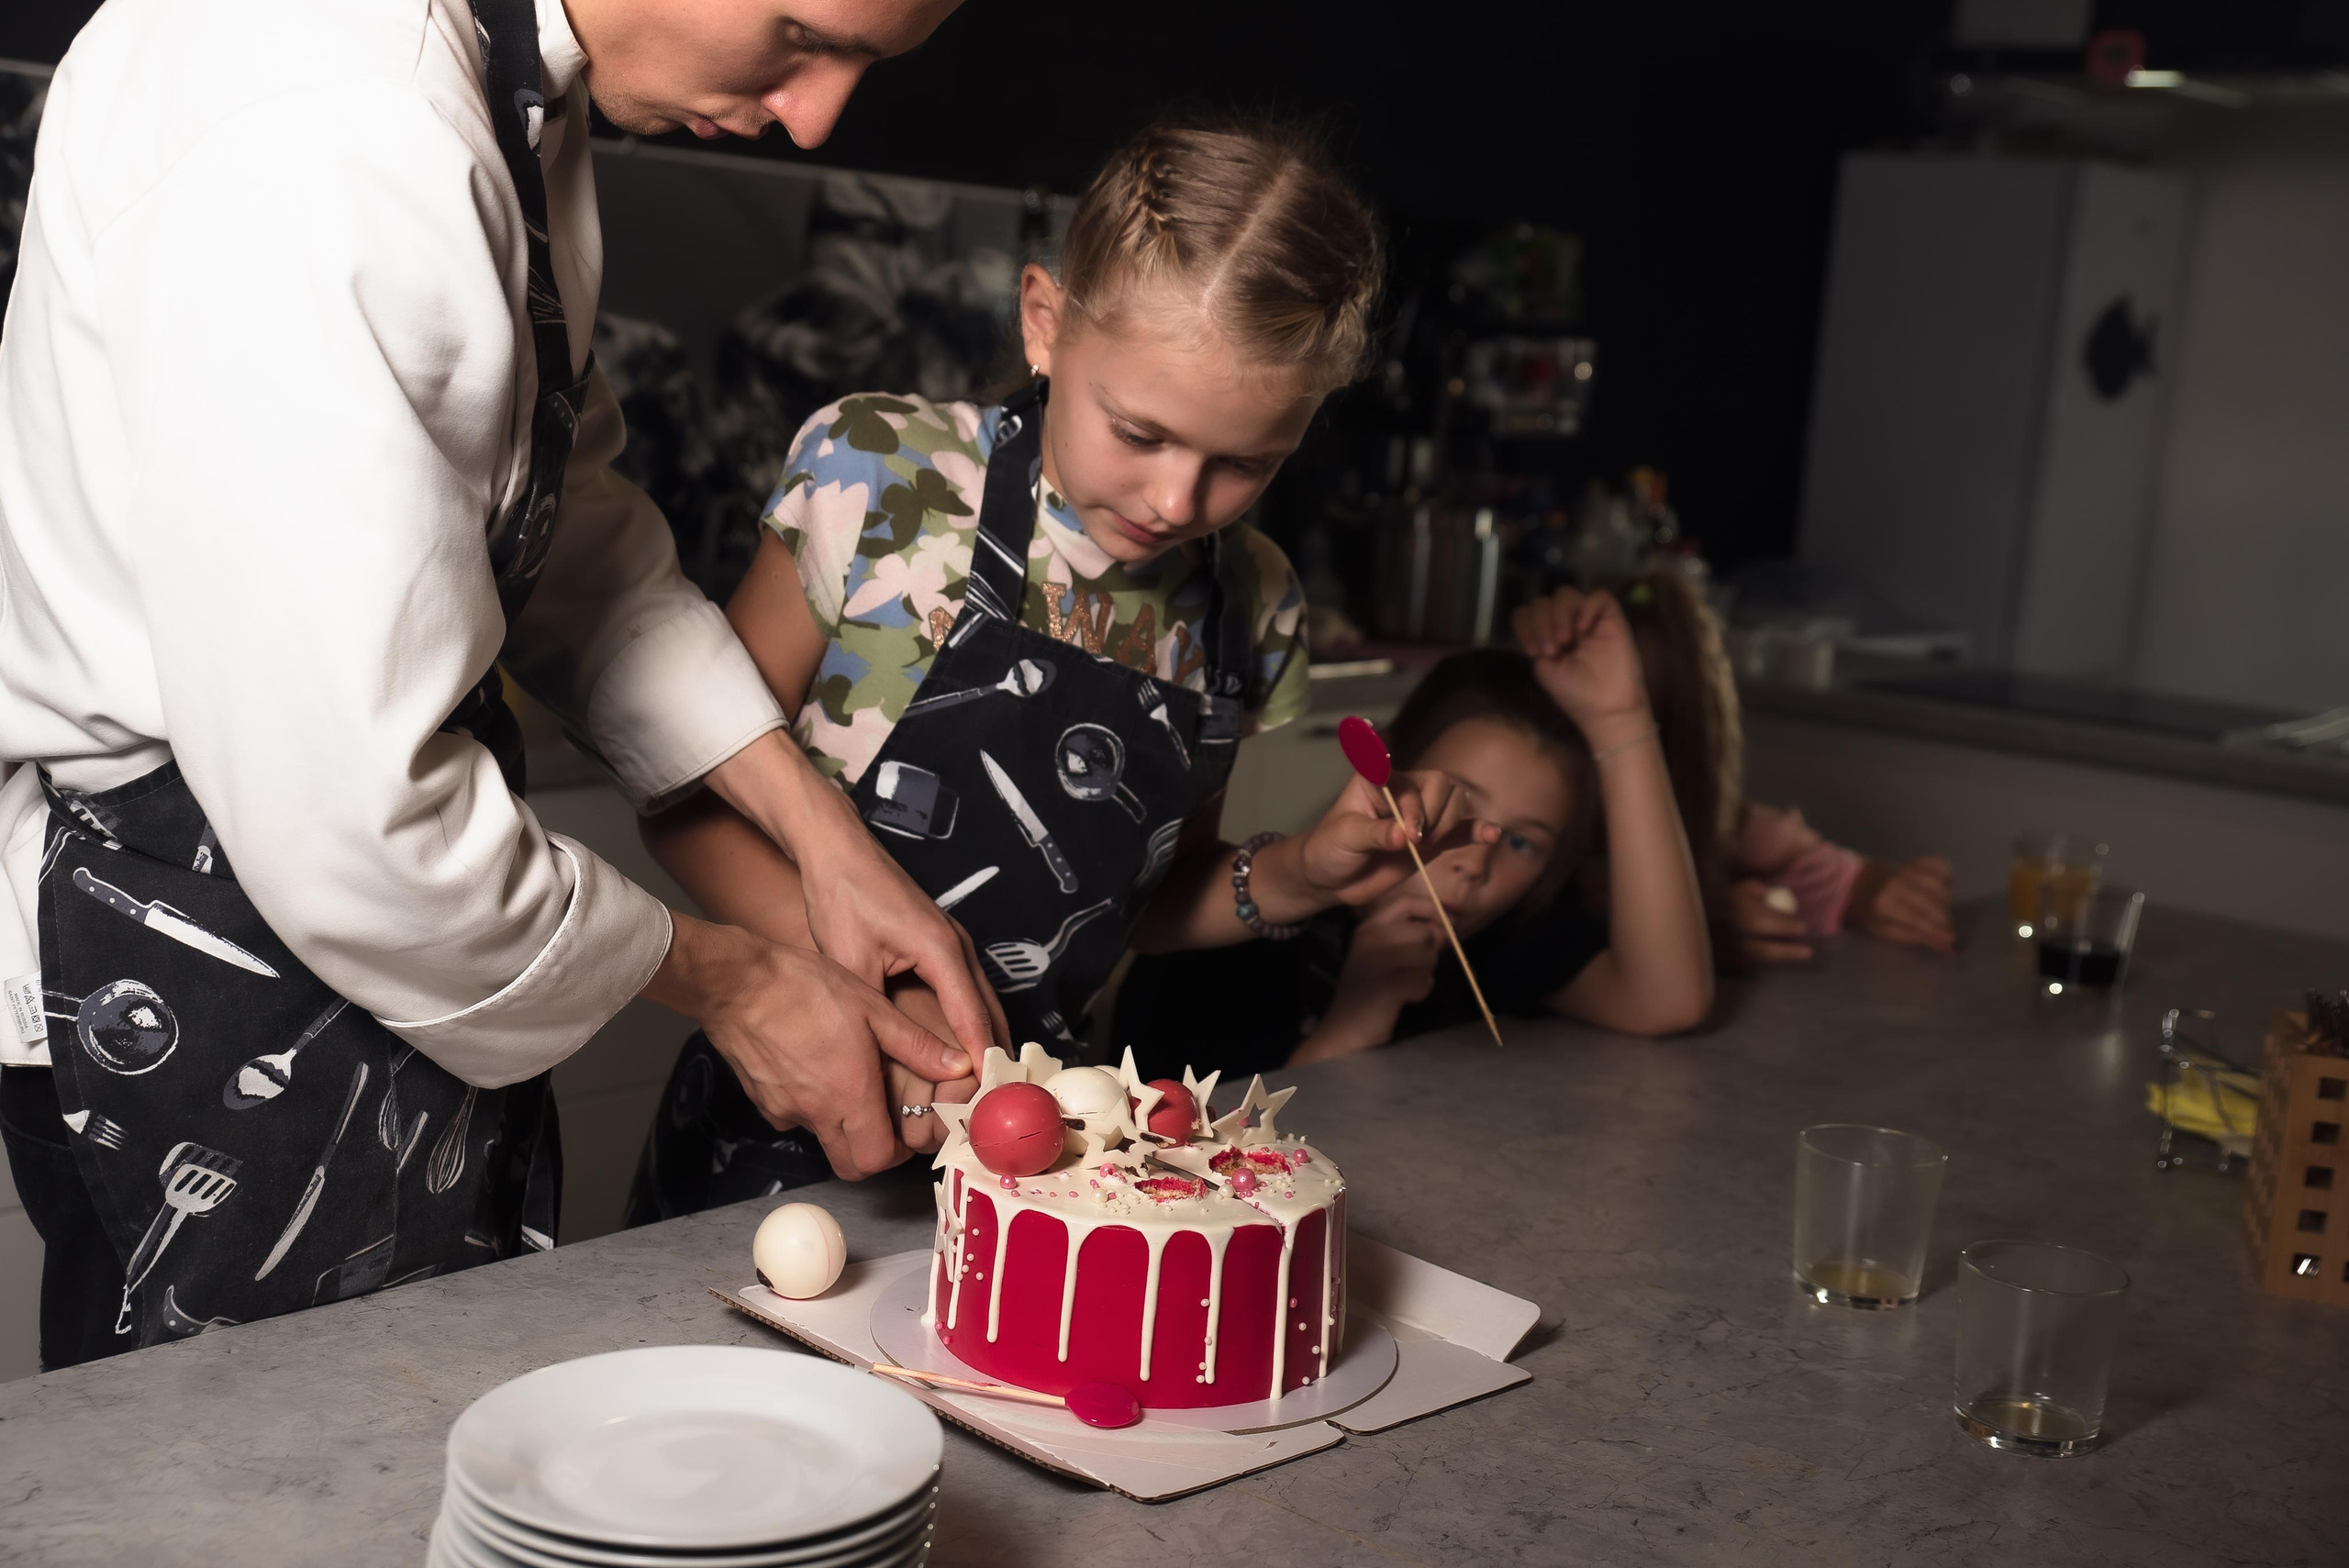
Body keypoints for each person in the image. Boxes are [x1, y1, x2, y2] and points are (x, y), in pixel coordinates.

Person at [0, 0, 995, 1370]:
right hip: (181, 943)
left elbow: (555, 510)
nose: (817, 115)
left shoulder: (495, 80)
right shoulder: (327, 112)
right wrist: (739, 984)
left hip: (363, 923)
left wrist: (821, 837)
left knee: (433, 1440)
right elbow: (352, 814)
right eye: (797, 32)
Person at [627, 117, 1495, 1219]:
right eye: (1139, 431)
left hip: (1050, 1163)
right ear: (1044, 322)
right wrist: (888, 992)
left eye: (1244, 463)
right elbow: (690, 796)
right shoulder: (882, 478)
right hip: (784, 1103)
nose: (1178, 501)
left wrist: (1306, 871)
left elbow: (1141, 897)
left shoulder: (1254, 601)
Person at [1117, 586, 1715, 1077]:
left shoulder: (1500, 940)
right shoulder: (1220, 952)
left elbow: (1667, 999)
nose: (1474, 863)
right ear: (1389, 775)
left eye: (1521, 841)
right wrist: (1357, 1016)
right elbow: (1187, 1177)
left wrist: (1620, 718)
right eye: (1458, 805)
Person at [1608, 569, 1955, 964]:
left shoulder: (1738, 833)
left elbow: (1848, 882)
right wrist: (1701, 923)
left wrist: (1882, 893)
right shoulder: (1552, 831)